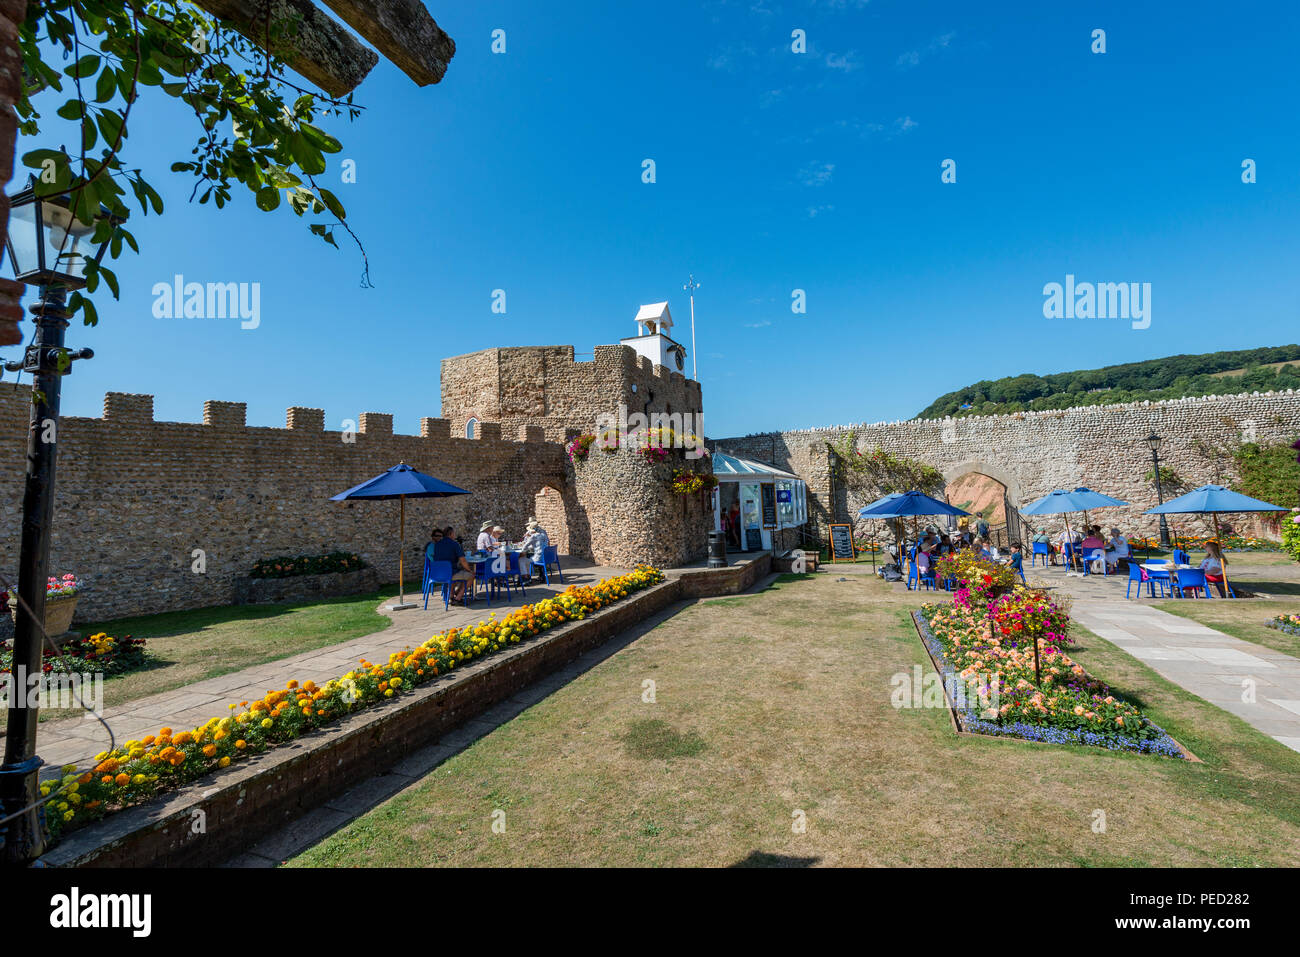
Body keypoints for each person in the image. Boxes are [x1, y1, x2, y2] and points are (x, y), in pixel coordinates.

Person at [431, 524, 475, 603]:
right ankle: (458, 597)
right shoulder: (454, 544)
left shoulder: (437, 545)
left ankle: (452, 595)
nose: (454, 535)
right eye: (454, 533)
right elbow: (463, 560)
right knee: (471, 576)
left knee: (456, 572)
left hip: (437, 574)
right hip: (450, 574)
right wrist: (469, 570)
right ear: (451, 534)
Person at [518, 517, 550, 581]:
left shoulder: (533, 535)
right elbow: (547, 542)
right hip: (547, 556)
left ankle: (525, 576)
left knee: (523, 557)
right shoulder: (543, 533)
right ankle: (540, 574)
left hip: (538, 556)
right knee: (533, 553)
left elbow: (525, 546)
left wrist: (522, 550)